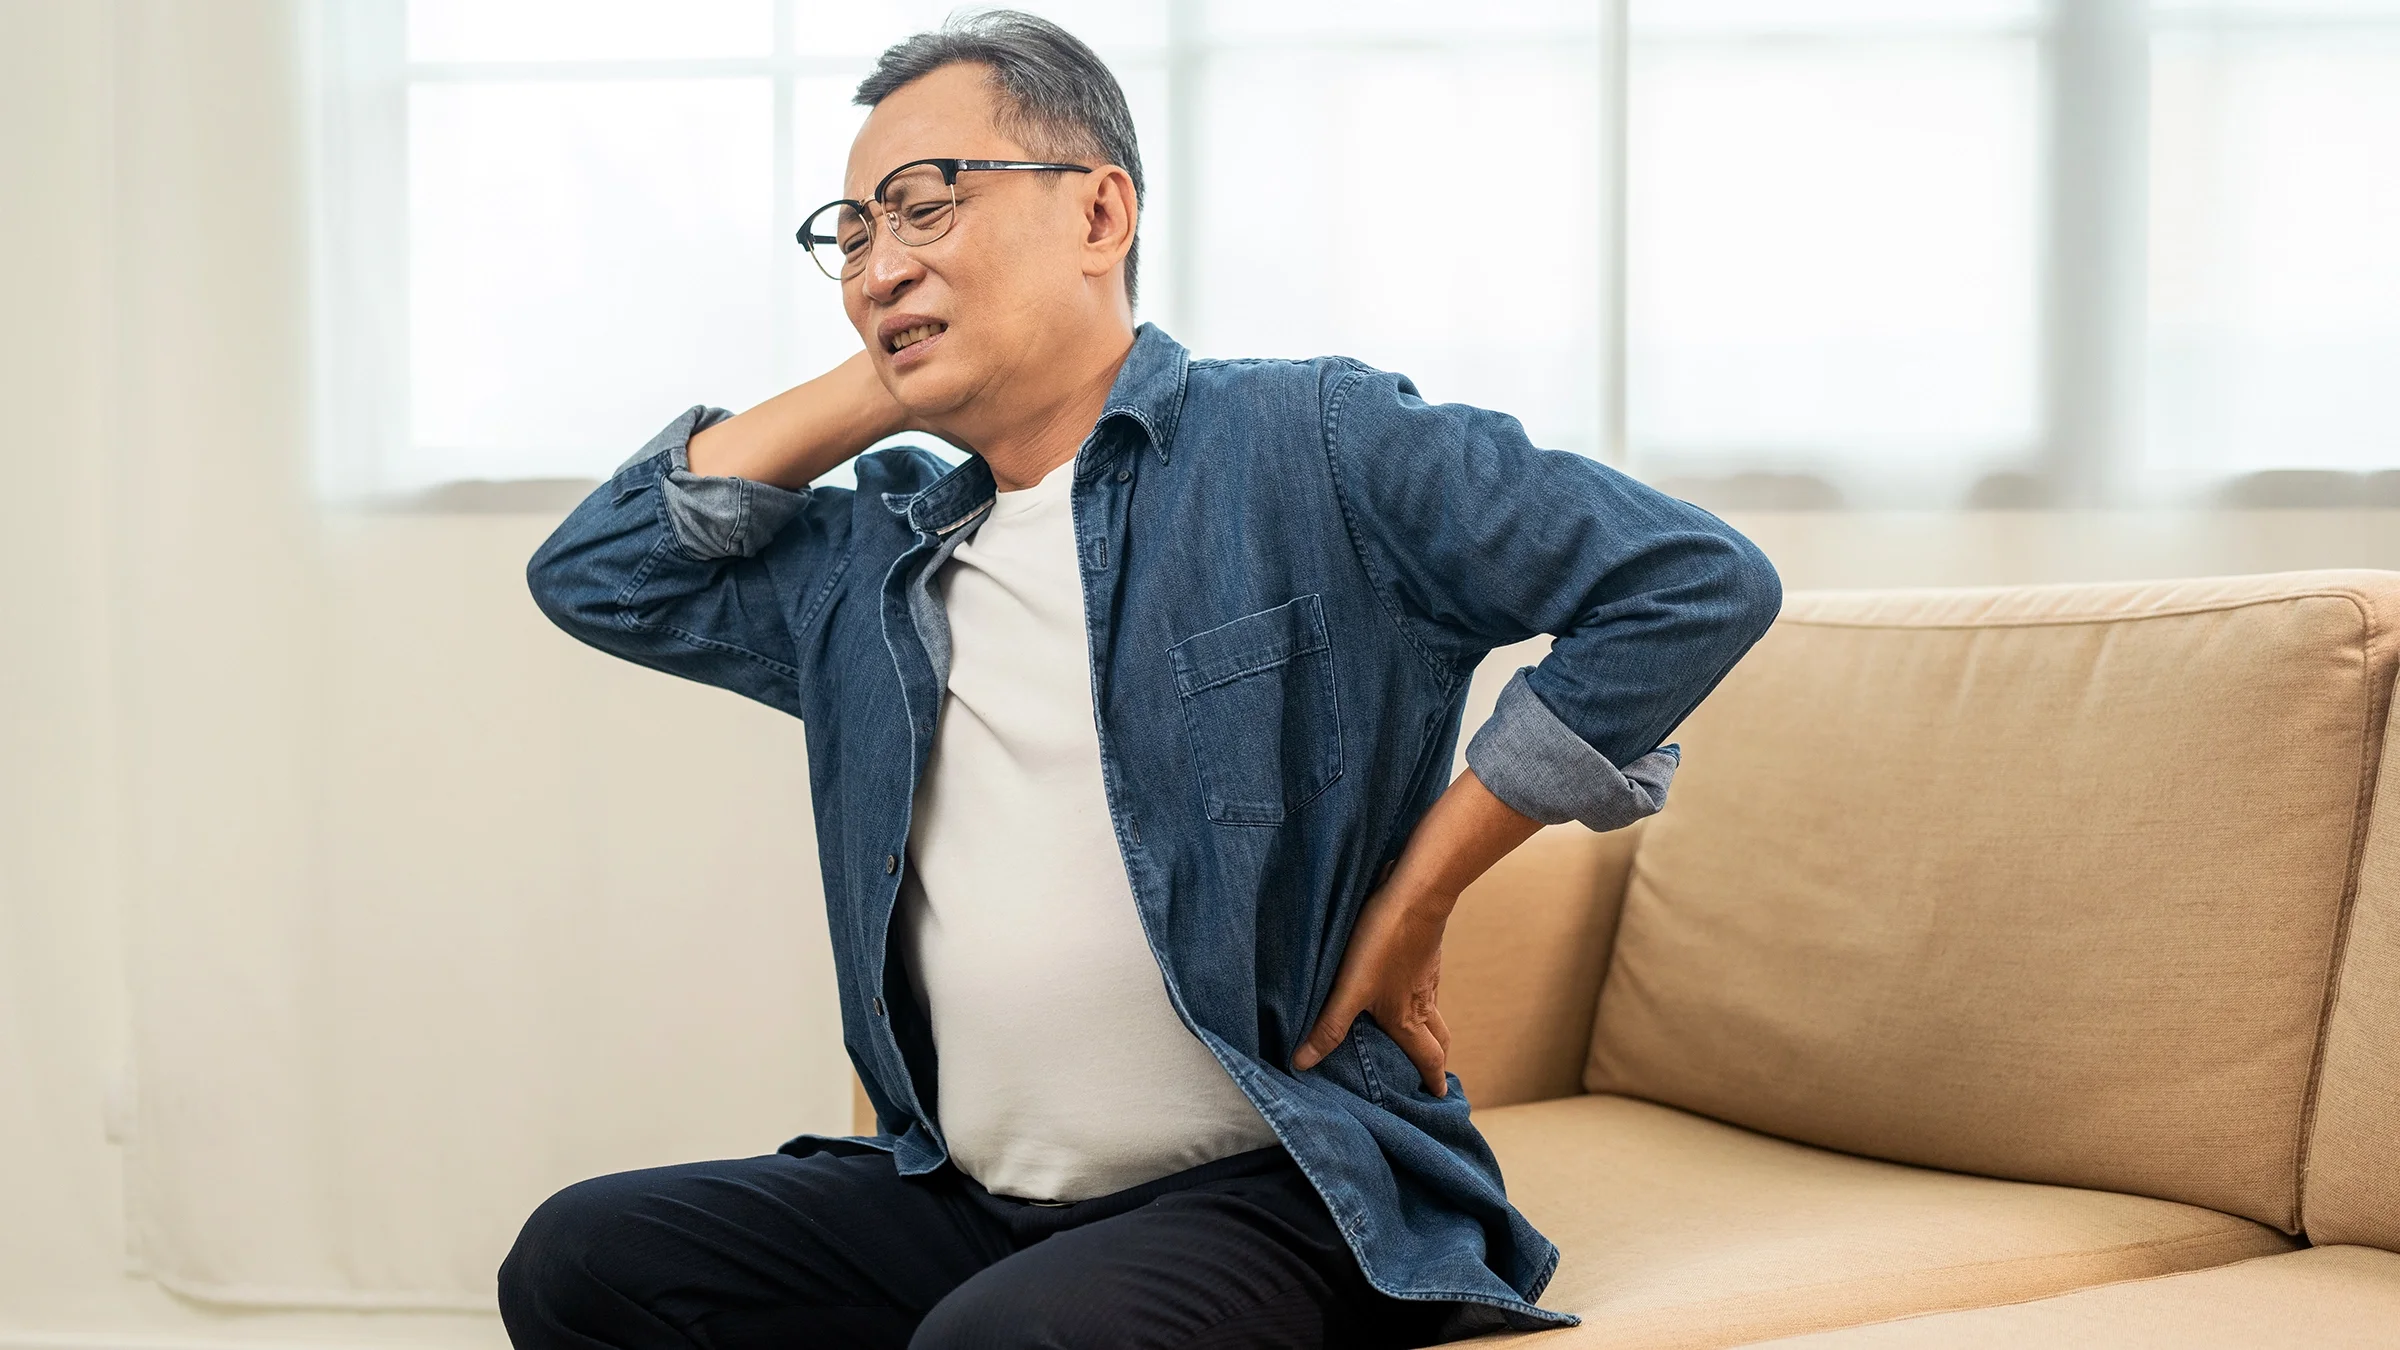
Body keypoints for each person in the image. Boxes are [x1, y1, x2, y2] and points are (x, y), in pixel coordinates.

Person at [503, 11, 1779, 1349]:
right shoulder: (875, 563)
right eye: (854, 234)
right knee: (582, 1260)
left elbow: (1692, 581)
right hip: (970, 1198)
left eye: (924, 206)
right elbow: (599, 571)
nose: (878, 266)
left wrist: (1425, 885)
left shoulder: (1311, 445)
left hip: (1279, 1190)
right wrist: (879, 383)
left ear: (1100, 212)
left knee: (1002, 1341)